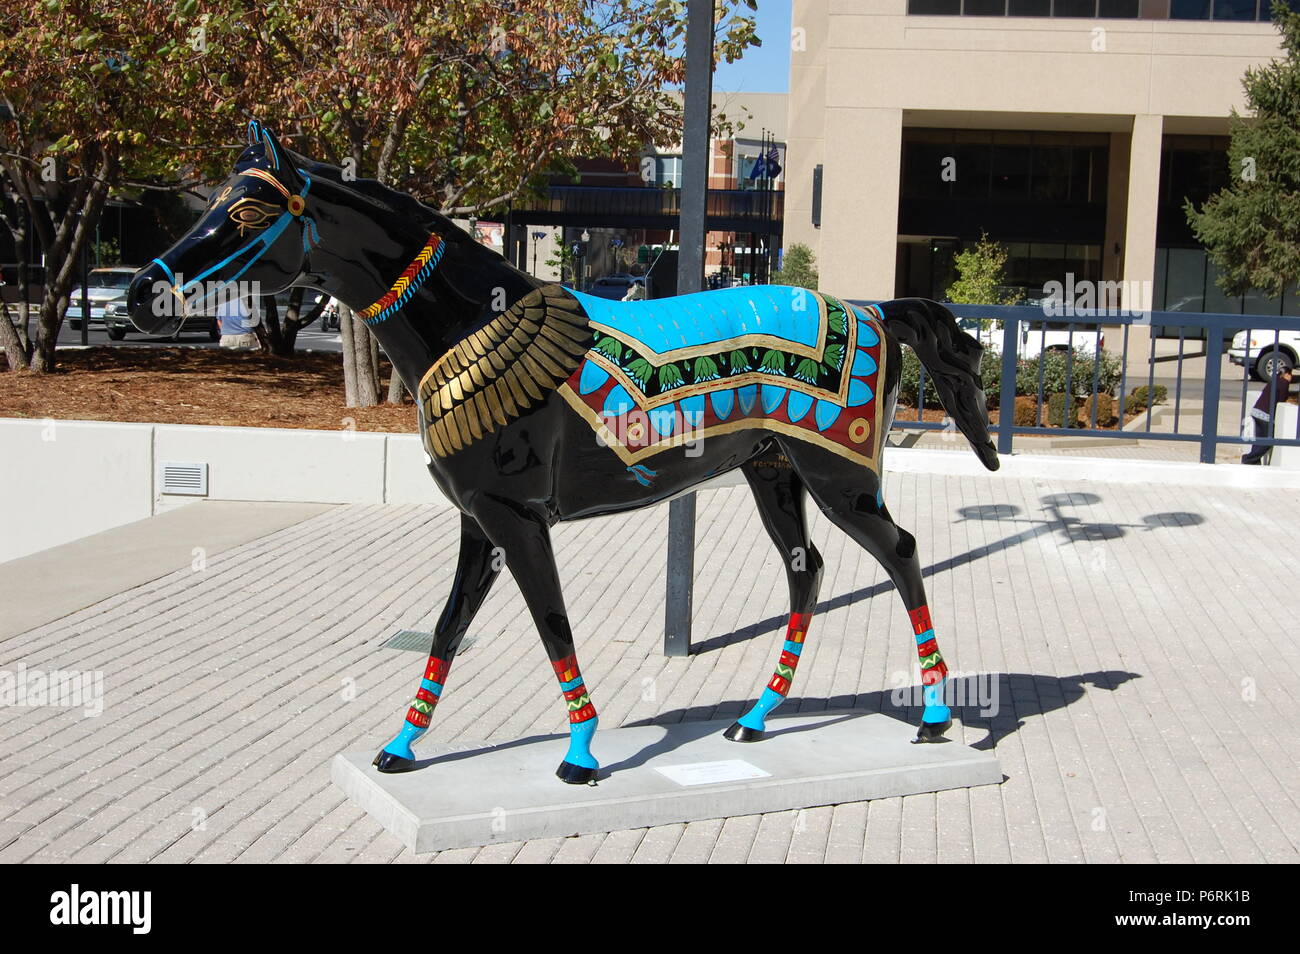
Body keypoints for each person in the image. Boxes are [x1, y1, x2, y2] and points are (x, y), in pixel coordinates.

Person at [1242, 364, 1294, 464]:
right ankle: (1248, 459)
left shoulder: (1273, 381)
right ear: (1286, 374)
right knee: (1267, 443)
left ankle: (1255, 461)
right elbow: (1281, 399)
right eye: (1290, 375)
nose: (1291, 378)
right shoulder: (1284, 383)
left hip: (1256, 412)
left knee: (1259, 440)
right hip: (1265, 416)